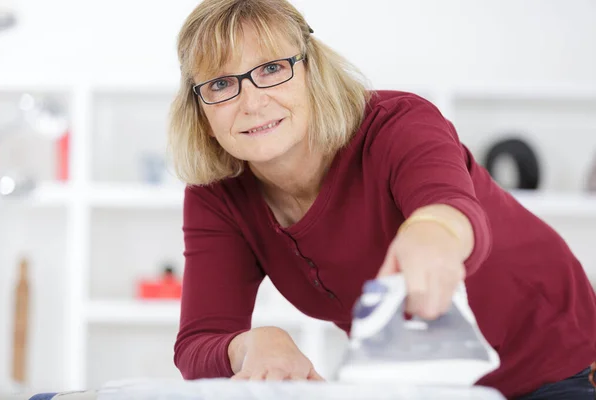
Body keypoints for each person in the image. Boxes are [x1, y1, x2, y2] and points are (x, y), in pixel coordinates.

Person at [167, 0, 596, 398]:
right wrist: (251, 345)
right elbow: (198, 342)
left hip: (563, 364)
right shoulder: (217, 196)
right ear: (202, 115)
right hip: (429, 386)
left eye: (273, 68)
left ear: (311, 73)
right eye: (222, 83)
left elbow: (450, 207)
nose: (252, 101)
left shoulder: (397, 124)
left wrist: (432, 235)